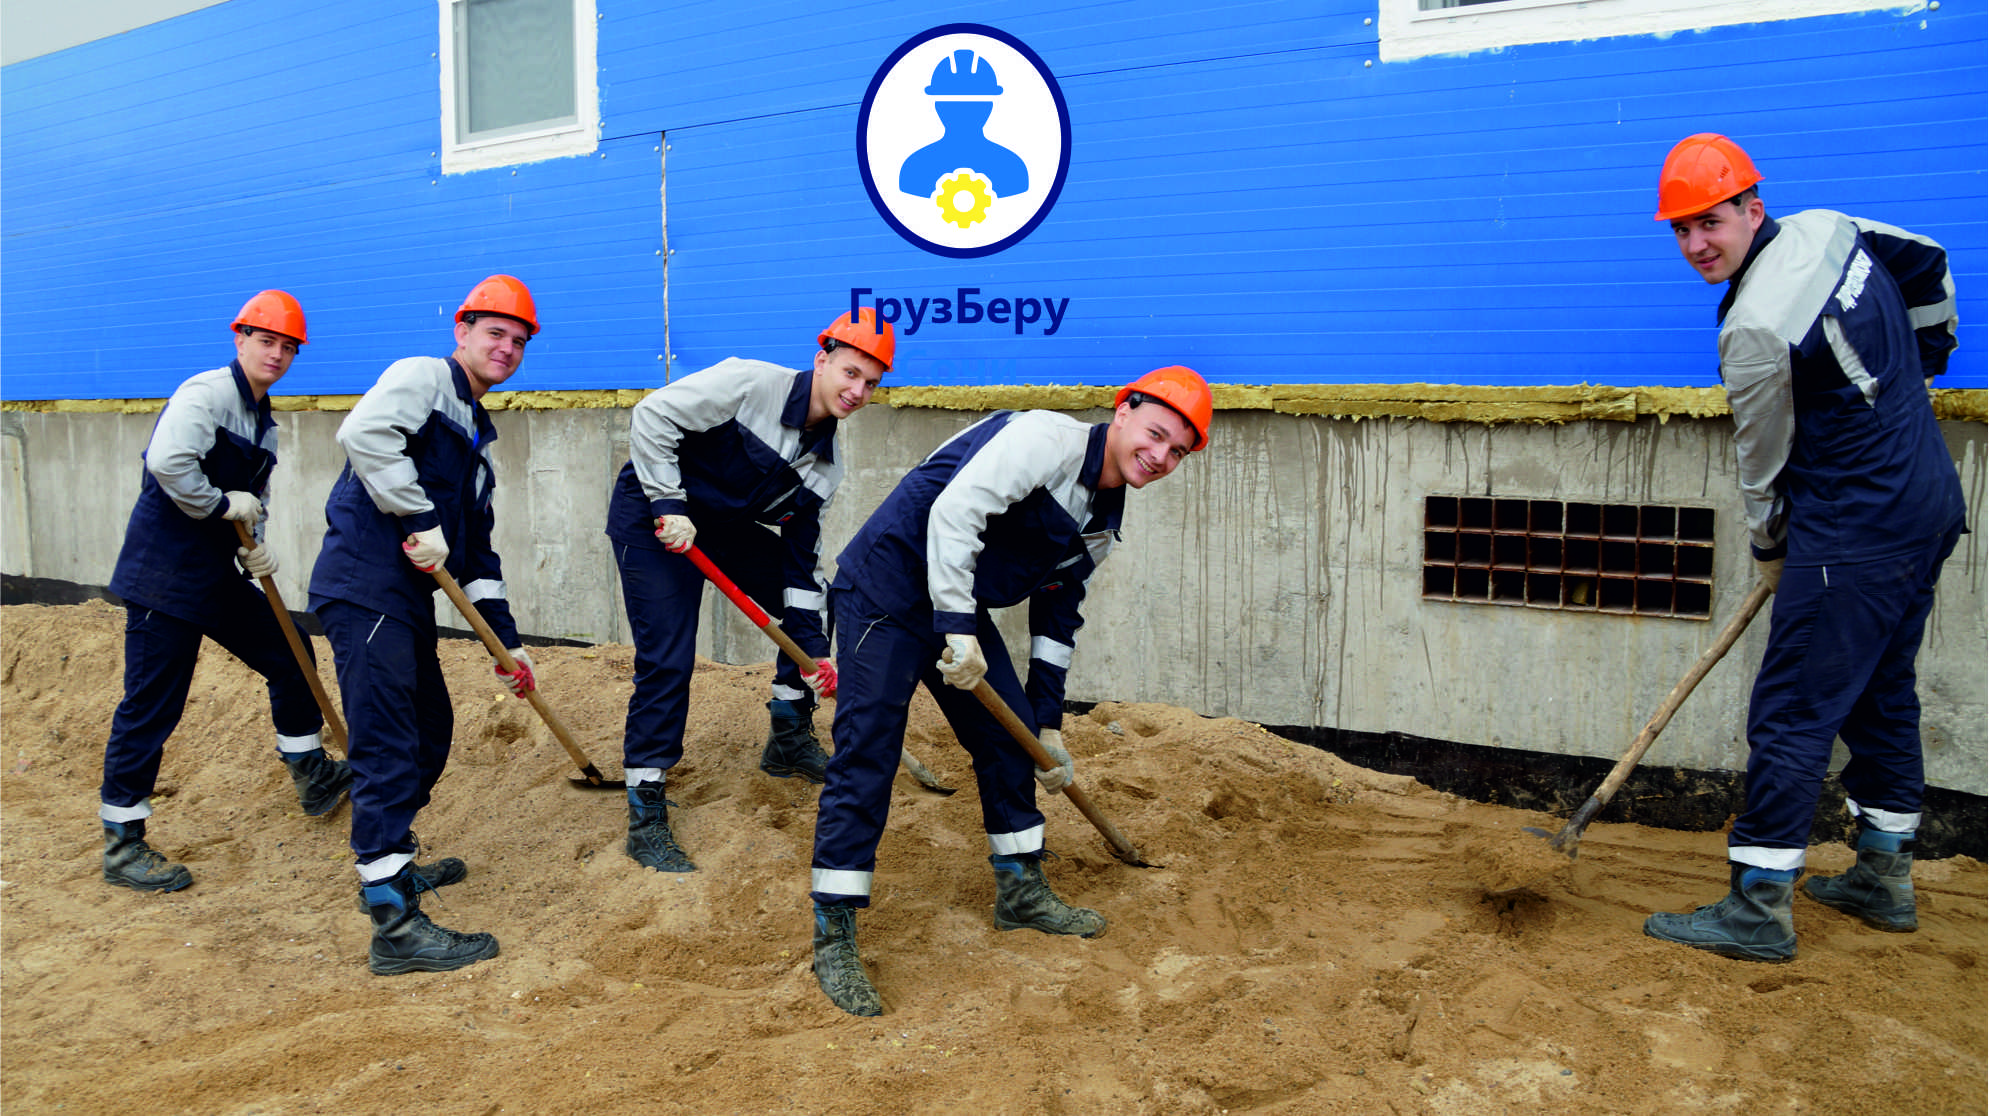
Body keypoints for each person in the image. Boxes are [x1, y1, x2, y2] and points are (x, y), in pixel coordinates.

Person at [1642, 134, 1966, 962]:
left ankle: (1756, 907)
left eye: (1708, 222)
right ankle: (1882, 877)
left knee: (1791, 711)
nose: (1695, 246)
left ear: (1752, 206)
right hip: (1925, 504)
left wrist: (1770, 550)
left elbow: (1762, 462)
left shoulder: (1752, 324)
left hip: (1853, 528)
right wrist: (1927, 354)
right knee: (1879, 694)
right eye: (1678, 231)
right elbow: (1926, 260)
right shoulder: (1828, 228)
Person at [807, 365, 1214, 1015]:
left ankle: (1020, 890)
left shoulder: (1103, 518)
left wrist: (1046, 724)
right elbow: (954, 512)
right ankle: (834, 934)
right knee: (867, 755)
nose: (1160, 456)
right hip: (885, 590)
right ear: (1124, 409)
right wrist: (955, 628)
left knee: (1009, 737)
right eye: (1157, 433)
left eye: (1178, 451)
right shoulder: (1044, 440)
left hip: (955, 606)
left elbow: (1058, 610)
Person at [307, 275, 542, 975]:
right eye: (495, 332)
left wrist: (509, 646)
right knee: (385, 746)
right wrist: (417, 516)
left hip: (404, 604)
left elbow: (476, 560)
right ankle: (393, 925)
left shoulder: (477, 445)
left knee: (429, 735)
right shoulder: (422, 378)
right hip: (364, 586)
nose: (506, 348)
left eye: (519, 341)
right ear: (462, 331)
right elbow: (363, 433)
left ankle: (391, 865)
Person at [604, 310, 893, 873]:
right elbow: (652, 416)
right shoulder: (749, 383)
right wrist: (667, 502)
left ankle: (788, 731)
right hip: (652, 515)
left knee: (810, 597)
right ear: (822, 359)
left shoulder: (825, 468)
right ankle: (645, 804)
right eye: (851, 372)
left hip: (723, 531)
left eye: (872, 383)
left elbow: (796, 564)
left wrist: (812, 654)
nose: (857, 391)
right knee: (667, 658)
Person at [99, 290, 351, 892]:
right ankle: (122, 841)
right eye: (267, 341)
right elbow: (167, 461)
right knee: (153, 704)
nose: (278, 354)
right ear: (241, 339)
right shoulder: (208, 393)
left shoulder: (264, 422)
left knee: (292, 655)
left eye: (289, 347)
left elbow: (249, 500)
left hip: (215, 577)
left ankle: (311, 772)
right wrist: (217, 505)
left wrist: (252, 541)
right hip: (164, 577)